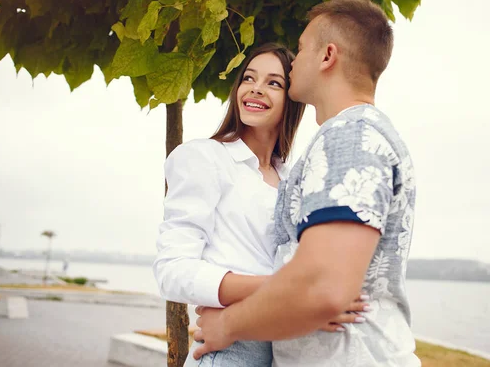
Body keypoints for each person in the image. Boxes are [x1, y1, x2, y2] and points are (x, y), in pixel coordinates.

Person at [193, 0, 420, 367]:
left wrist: (228, 326)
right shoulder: (348, 136)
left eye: (300, 49)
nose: (294, 60)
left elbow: (323, 287)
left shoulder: (351, 138)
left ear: (327, 56)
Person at [153, 43, 368, 366]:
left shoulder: (294, 177)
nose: (255, 89)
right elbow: (172, 271)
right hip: (230, 351)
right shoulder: (204, 157)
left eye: (273, 83)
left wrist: (304, 304)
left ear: (292, 99)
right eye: (248, 78)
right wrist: (290, 295)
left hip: (285, 349)